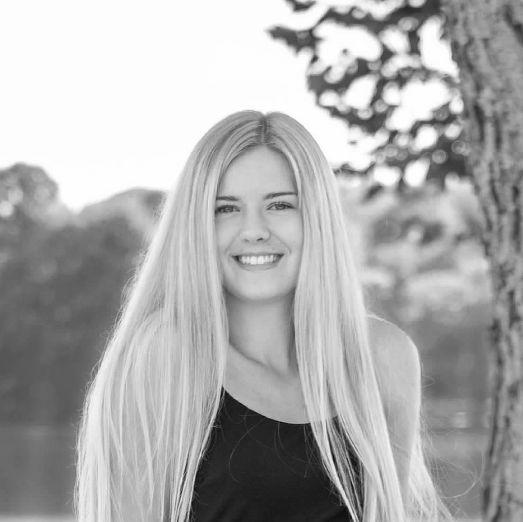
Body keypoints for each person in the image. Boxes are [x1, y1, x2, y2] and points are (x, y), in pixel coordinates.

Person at [74, 110, 452, 521]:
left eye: (280, 205)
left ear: (317, 218)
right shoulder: (166, 356)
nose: (254, 229)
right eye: (225, 209)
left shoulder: (384, 357)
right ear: (196, 225)